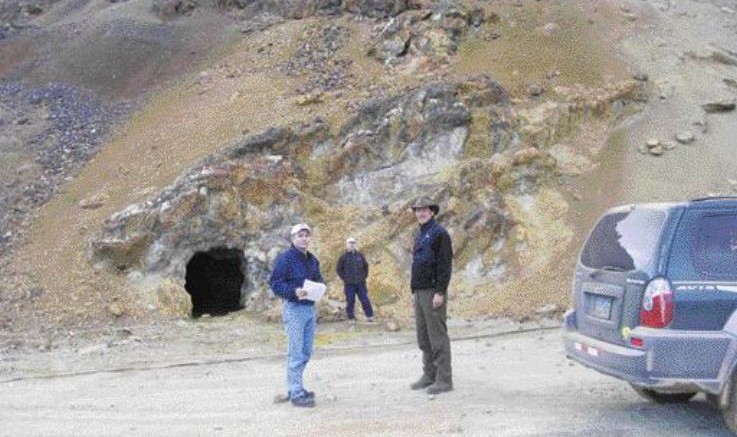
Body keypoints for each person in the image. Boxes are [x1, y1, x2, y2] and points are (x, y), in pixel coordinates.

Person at [269, 223, 325, 408]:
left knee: (305, 352)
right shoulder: (286, 259)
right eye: (300, 235)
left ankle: (296, 388)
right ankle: (296, 393)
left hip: (309, 308)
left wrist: (319, 288)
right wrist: (294, 291)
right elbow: (275, 283)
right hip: (294, 309)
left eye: (307, 235)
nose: (304, 238)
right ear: (293, 239)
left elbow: (319, 279)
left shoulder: (312, 259)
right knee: (295, 352)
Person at [408, 196, 454, 395]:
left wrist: (440, 291)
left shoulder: (440, 234)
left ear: (432, 212)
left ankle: (444, 379)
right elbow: (416, 265)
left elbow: (445, 265)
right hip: (420, 292)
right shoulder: (420, 234)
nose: (421, 213)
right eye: (418, 210)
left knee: (437, 336)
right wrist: (414, 291)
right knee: (423, 336)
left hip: (433, 292)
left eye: (425, 209)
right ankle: (429, 375)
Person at [336, 236, 374, 325]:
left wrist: (364, 277)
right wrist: (345, 278)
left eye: (353, 243)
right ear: (346, 244)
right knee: (350, 300)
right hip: (349, 284)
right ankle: (351, 318)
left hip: (361, 283)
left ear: (355, 244)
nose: (352, 245)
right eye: (350, 243)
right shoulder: (343, 257)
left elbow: (366, 266)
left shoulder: (360, 255)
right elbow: (338, 269)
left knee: (364, 299)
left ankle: (370, 316)